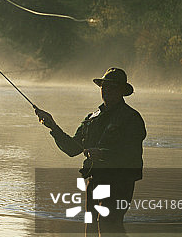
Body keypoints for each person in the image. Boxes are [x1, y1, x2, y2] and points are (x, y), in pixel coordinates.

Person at [35, 67, 146, 226]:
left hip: (120, 182)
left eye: (112, 87)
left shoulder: (132, 118)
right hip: (95, 180)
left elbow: (131, 154)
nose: (106, 90)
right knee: (91, 226)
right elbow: (73, 149)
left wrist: (103, 154)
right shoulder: (92, 118)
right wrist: (53, 126)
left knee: (109, 225)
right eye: (104, 87)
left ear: (122, 90)